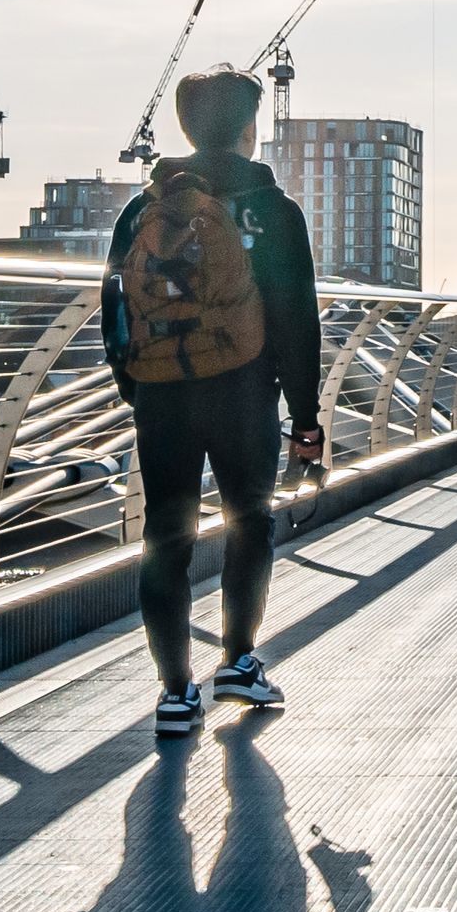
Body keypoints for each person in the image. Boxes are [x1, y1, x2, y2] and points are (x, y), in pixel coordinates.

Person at [104, 69, 324, 741]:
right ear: (248, 127)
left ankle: (174, 694)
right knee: (248, 521)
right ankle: (237, 661)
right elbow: (296, 318)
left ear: (186, 125)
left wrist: (138, 387)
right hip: (243, 391)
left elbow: (114, 305)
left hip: (164, 394)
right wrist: (306, 417)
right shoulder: (274, 211)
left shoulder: (145, 209)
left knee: (164, 536)